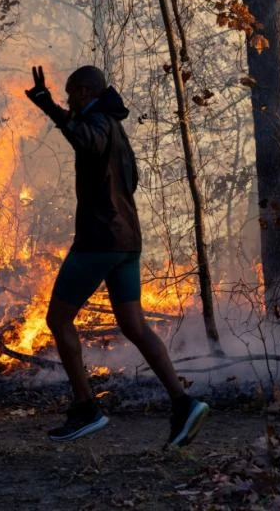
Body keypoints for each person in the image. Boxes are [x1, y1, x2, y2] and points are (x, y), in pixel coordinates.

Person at [25, 65, 209, 445]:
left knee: (58, 320)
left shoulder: (99, 122)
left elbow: (86, 142)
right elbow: (129, 178)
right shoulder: (115, 125)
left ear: (85, 90)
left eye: (71, 93)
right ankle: (183, 403)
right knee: (134, 325)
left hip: (100, 241)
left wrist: (51, 110)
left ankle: (85, 409)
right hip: (127, 241)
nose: (68, 100)